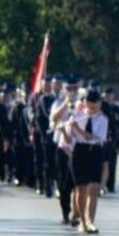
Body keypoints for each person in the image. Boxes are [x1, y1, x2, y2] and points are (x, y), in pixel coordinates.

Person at [68, 89, 108, 234]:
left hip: (95, 151)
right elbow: (68, 138)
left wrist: (78, 129)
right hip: (80, 152)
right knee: (81, 188)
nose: (92, 108)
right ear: (85, 103)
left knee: (94, 189)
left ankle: (91, 220)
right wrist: (68, 127)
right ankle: (83, 221)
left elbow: (94, 138)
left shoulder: (103, 119)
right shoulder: (77, 116)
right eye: (90, 105)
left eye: (95, 105)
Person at [51, 78, 79, 225]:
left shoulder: (81, 104)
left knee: (77, 182)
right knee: (64, 182)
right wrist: (65, 104)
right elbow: (54, 118)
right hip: (62, 146)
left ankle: (77, 212)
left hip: (78, 147)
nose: (72, 92)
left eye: (74, 89)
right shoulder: (58, 103)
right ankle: (65, 212)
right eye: (69, 89)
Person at [102, 87, 119, 194]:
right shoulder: (101, 108)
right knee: (103, 164)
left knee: (112, 163)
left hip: (113, 140)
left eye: (110, 95)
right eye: (106, 95)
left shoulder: (116, 109)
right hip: (103, 139)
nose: (108, 97)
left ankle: (111, 185)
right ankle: (102, 184)